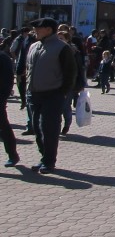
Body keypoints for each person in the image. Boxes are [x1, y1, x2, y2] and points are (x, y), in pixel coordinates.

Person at [24, 18, 77, 173]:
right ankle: (43, 157)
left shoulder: (62, 48)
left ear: (48, 30)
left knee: (49, 128)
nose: (35, 31)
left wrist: (62, 92)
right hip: (34, 94)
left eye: (38, 28)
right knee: (36, 127)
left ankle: (49, 161)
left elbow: (70, 72)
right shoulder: (34, 46)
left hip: (53, 94)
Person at [0, 45, 18, 167]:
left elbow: (8, 80)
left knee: (4, 127)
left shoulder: (3, 58)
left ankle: (12, 155)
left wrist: (3, 97)